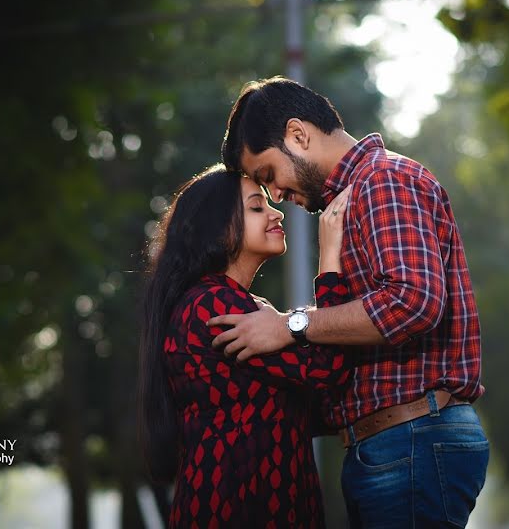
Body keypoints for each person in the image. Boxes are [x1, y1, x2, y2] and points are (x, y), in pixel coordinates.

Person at [209, 77, 489, 529]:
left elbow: (413, 301)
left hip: (412, 436)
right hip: (394, 441)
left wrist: (290, 325)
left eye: (267, 175)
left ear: (298, 135)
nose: (275, 194)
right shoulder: (354, 195)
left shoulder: (384, 180)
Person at [138, 163, 355, 528]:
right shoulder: (212, 306)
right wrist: (329, 262)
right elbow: (328, 370)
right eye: (257, 207)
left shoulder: (239, 306)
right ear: (219, 230)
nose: (275, 212)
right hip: (237, 510)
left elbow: (310, 405)